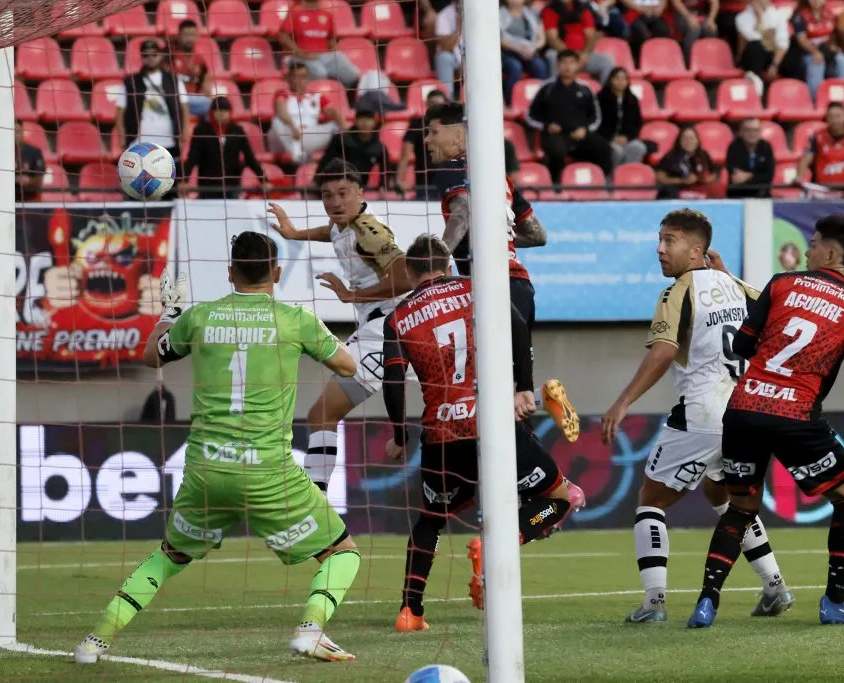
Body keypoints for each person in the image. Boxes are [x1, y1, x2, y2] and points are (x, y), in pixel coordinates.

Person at [74, 232, 362, 664]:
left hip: (206, 470)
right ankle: (311, 629)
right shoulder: (293, 319)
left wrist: (169, 313)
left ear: (230, 272)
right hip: (268, 472)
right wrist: (312, 334)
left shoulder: (200, 319)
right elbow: (348, 365)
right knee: (342, 552)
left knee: (169, 555)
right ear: (278, 273)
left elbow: (152, 355)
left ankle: (95, 641)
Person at [600, 208, 793, 624]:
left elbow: (664, 350)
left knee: (651, 501)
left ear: (695, 250)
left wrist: (623, 401)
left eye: (670, 240)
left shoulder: (678, 291)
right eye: (661, 239)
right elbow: (772, 307)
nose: (660, 248)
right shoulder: (732, 282)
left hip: (704, 412)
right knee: (724, 496)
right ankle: (775, 586)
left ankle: (653, 603)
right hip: (745, 410)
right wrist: (725, 273)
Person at [687, 214, 844, 627]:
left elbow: (743, 344)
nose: (807, 249)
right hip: (795, 416)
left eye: (815, 241)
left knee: (741, 507)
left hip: (744, 408)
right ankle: (834, 602)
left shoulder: (781, 283)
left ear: (833, 252)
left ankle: (706, 603)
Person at [385, 235, 574, 629]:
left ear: (409, 271)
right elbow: (518, 327)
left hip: (441, 432)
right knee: (560, 497)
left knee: (430, 520)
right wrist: (524, 386)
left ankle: (410, 610)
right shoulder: (476, 288)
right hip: (491, 422)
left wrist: (399, 435)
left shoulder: (398, 317)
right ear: (449, 264)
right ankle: (499, 546)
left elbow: (392, 381)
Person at [424, 102, 586, 471]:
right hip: (520, 284)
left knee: (491, 392)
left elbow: (462, 211)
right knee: (504, 397)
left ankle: (549, 480)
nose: (428, 141)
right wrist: (502, 239)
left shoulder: (452, 167)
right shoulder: (498, 176)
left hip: (487, 283)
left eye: (433, 131)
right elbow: (538, 234)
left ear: (459, 134)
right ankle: (536, 486)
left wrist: (438, 260)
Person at [267, 159, 413, 493]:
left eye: (343, 193)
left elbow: (406, 275)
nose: (334, 202)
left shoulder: (370, 232)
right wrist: (295, 234)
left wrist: (352, 294)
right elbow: (330, 232)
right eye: (327, 195)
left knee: (321, 414)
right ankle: (534, 398)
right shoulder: (343, 224)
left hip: (385, 330)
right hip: (391, 327)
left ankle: (314, 501)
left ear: (361, 192)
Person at [527, 49, 613, 182]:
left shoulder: (585, 89)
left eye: (571, 63)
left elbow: (596, 117)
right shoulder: (546, 88)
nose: (567, 67)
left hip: (579, 134)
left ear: (577, 65)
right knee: (557, 151)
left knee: (604, 148)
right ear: (558, 65)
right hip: (556, 135)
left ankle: (602, 184)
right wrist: (546, 126)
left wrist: (585, 130)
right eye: (564, 63)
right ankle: (556, 187)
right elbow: (530, 115)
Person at [113, 39, 190, 182]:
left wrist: (185, 131)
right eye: (146, 55)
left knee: (169, 186)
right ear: (142, 57)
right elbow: (119, 112)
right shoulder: (130, 82)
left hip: (169, 141)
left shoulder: (173, 80)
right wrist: (122, 137)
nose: (151, 59)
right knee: (138, 186)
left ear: (160, 55)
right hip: (138, 142)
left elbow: (184, 108)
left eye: (154, 55)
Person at [182, 96, 269, 199]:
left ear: (230, 112)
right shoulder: (201, 131)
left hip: (232, 186)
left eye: (225, 110)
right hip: (207, 187)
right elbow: (192, 157)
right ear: (212, 112)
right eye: (218, 110)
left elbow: (250, 157)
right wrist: (184, 181)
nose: (221, 113)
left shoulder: (237, 131)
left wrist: (263, 180)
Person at [269, 62, 346, 164]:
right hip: (287, 136)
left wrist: (344, 124)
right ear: (289, 78)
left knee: (335, 126)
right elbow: (281, 110)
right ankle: (297, 155)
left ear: (308, 78)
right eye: (296, 76)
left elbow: (331, 111)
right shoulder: (282, 94)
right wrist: (292, 128)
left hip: (307, 137)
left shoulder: (316, 96)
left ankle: (339, 161)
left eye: (303, 76)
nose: (300, 80)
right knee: (277, 121)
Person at [279, 0, 361, 88]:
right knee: (320, 72)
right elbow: (282, 36)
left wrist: (333, 51)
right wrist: (299, 52)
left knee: (350, 71)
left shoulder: (327, 13)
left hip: (322, 56)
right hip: (301, 57)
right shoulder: (295, 11)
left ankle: (343, 95)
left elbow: (331, 40)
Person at [795, 102, 844, 191]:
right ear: (827, 118)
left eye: (838, 116)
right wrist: (799, 176)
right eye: (831, 117)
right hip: (821, 191)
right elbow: (806, 158)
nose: (835, 120)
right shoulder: (817, 137)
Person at [541, 0, 615, 83]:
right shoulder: (550, 10)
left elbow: (591, 35)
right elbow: (552, 38)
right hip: (562, 54)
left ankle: (606, 94)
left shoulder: (583, 9)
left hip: (582, 56)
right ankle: (555, 90)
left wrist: (585, 54)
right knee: (552, 55)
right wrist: (571, 56)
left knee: (606, 61)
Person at [313, 106, 387, 189]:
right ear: (355, 121)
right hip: (336, 185)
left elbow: (386, 170)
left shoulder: (379, 148)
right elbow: (326, 161)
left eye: (368, 119)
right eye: (361, 119)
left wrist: (383, 186)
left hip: (360, 188)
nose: (365, 122)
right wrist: (315, 181)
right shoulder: (342, 139)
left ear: (374, 122)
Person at [790, 0, 844, 100]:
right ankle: (815, 100)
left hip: (826, 50)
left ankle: (843, 97)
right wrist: (815, 52)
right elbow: (802, 40)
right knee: (818, 62)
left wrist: (834, 45)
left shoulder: (829, 15)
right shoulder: (800, 16)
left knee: (842, 59)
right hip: (807, 52)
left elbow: (832, 35)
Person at [396, 88, 449, 199]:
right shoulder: (417, 124)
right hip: (425, 183)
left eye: (439, 104)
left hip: (448, 180)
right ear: (427, 104)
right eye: (433, 104)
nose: (436, 107)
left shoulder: (451, 125)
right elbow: (405, 154)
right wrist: (399, 180)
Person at [735, 0, 789, 95]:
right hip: (751, 57)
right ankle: (755, 84)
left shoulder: (778, 16)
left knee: (792, 55)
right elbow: (756, 38)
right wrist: (760, 18)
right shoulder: (741, 18)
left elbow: (783, 43)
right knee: (757, 46)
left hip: (771, 56)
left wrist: (774, 65)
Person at [597, 67, 647, 168]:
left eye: (624, 79)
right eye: (617, 78)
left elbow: (637, 123)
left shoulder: (632, 99)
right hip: (606, 138)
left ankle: (627, 176)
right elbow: (597, 122)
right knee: (617, 151)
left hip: (627, 138)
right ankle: (612, 178)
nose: (621, 82)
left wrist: (627, 137)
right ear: (611, 80)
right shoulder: (600, 98)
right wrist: (611, 138)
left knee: (639, 147)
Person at [500, 0, 549, 105]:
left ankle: (542, 102)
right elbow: (499, 38)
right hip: (508, 52)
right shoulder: (499, 14)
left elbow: (542, 39)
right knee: (515, 67)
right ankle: (511, 102)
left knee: (540, 66)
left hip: (529, 51)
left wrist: (533, 48)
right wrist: (519, 49)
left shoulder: (533, 13)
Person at [655, 125, 723, 198]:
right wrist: (682, 181)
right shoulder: (671, 156)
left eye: (692, 138)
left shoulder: (703, 154)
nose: (689, 141)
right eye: (685, 138)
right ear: (679, 141)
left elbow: (714, 172)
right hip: (676, 192)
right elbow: (660, 177)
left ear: (697, 140)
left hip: (699, 191)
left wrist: (704, 179)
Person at [170, 20, 214, 117]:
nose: (190, 39)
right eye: (186, 35)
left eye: (193, 35)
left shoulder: (200, 60)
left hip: (194, 101)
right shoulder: (170, 56)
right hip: (174, 100)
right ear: (179, 35)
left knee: (214, 107)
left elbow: (206, 88)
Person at [725, 117, 775, 198]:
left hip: (762, 195)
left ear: (760, 132)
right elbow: (736, 178)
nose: (752, 133)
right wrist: (757, 176)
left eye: (756, 130)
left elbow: (768, 176)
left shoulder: (766, 147)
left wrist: (748, 175)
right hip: (737, 195)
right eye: (748, 130)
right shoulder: (734, 147)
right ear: (741, 132)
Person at [434, 0, 464, 96]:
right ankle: (447, 98)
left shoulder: (479, 13)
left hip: (474, 57)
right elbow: (445, 47)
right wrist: (459, 26)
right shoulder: (444, 15)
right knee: (443, 58)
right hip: (455, 57)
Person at [15, 122, 46, 202]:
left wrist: (29, 181)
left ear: (22, 132)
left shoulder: (34, 152)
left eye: (17, 132)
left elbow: (39, 180)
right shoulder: (0, 154)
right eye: (11, 132)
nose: (15, 135)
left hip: (29, 199)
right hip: (5, 199)